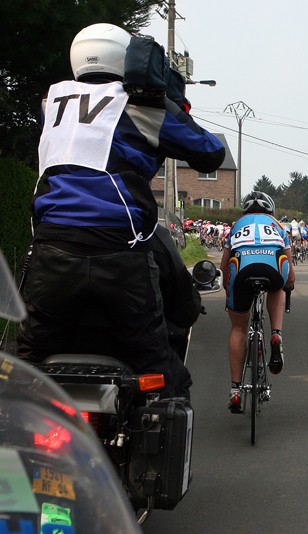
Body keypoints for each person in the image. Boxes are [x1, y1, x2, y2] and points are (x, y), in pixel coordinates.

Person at [16, 23, 225, 398]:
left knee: (25, 369)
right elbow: (211, 152)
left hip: (52, 253)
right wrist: (171, 103)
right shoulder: (141, 107)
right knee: (163, 380)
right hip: (121, 256)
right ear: (125, 60)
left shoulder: (51, 104)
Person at [222, 191, 295, 413]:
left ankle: (235, 391)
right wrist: (288, 285)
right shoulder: (278, 226)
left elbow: (224, 265)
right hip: (273, 265)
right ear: (270, 210)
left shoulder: (236, 226)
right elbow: (290, 273)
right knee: (279, 286)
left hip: (241, 268)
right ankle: (276, 333)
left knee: (238, 328)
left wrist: (229, 288)